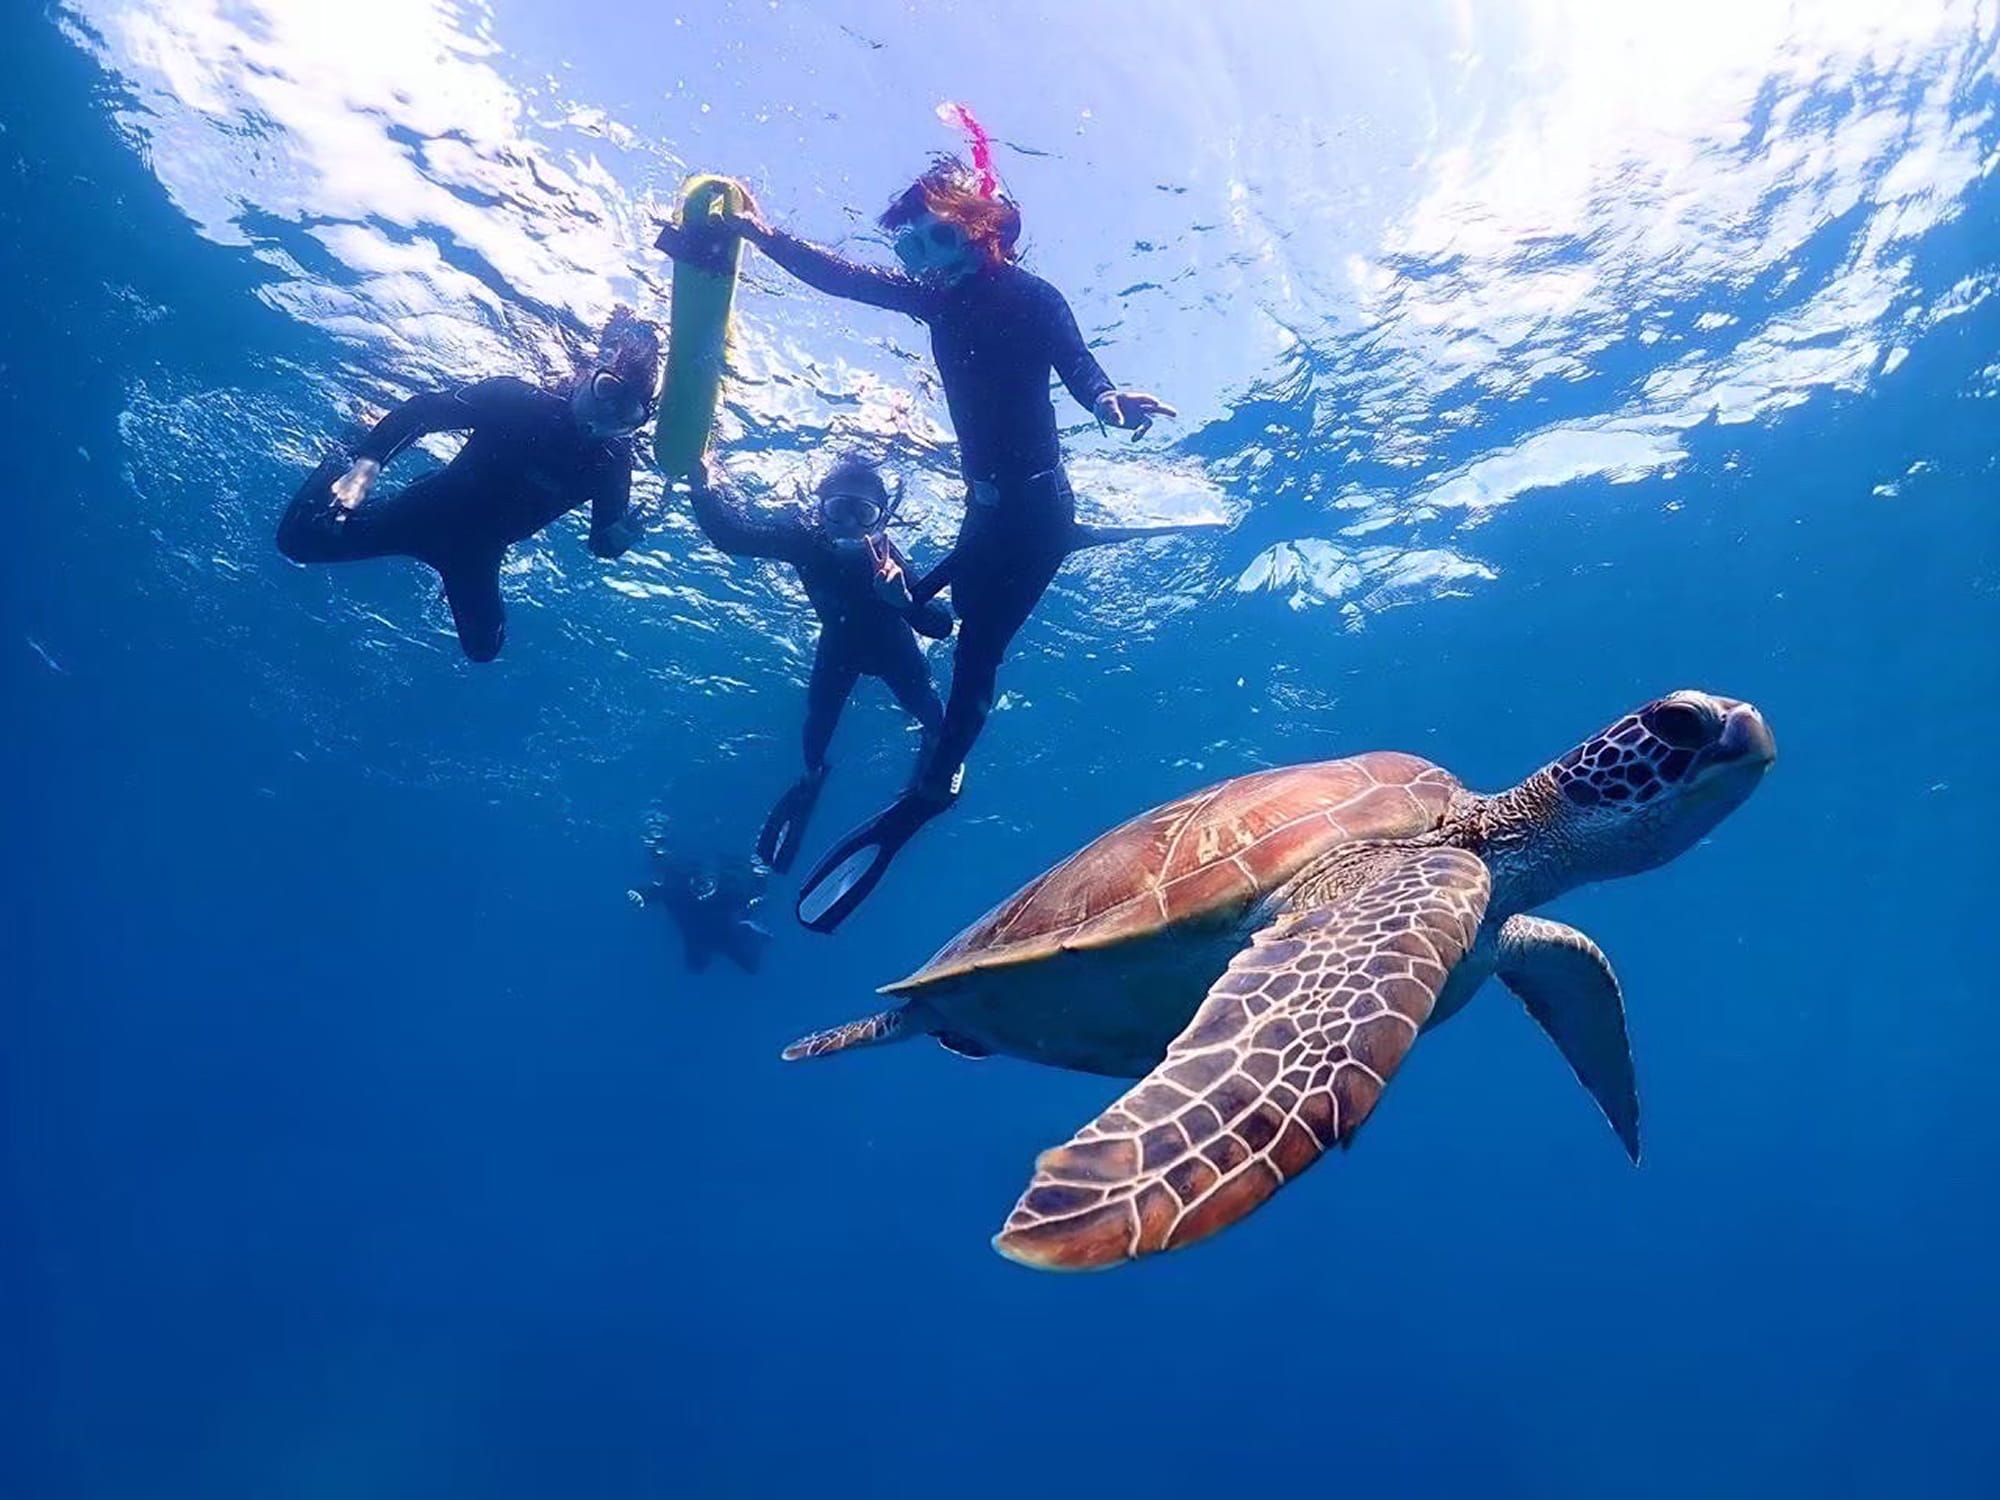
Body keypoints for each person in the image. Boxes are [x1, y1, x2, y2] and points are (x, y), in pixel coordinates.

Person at [659, 156, 1208, 931]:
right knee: (922, 612)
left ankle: (935, 786)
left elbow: (1080, 366)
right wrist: (760, 233)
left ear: (982, 229)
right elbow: (842, 278)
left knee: (977, 656)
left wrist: (1109, 403)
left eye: (938, 239)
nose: (926, 262)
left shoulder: (1032, 297)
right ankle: (929, 762)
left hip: (1039, 518)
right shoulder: (934, 302)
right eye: (911, 248)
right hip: (982, 517)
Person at [275, 310, 659, 661]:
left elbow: (600, 544)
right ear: (588, 374)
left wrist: (618, 538)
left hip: (476, 553)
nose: (608, 411)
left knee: (483, 650)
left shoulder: (612, 464)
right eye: (608, 389)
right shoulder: (517, 400)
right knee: (295, 541)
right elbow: (423, 412)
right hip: (424, 511)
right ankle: (349, 444)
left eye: (627, 410)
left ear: (635, 423)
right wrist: (365, 466)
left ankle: (363, 461)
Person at [686, 451, 951, 873]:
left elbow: (941, 624)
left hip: (893, 650)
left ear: (880, 520)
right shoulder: (803, 540)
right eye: (839, 508)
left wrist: (903, 601)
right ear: (820, 508)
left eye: (863, 513)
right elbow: (730, 536)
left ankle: (935, 745)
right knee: (817, 729)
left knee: (932, 716)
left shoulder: (887, 559)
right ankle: (812, 778)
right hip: (839, 649)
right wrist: (702, 485)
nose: (850, 523)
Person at [628, 846, 771, 976]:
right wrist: (643, 895)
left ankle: (749, 936)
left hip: (725, 936)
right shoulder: (680, 892)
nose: (702, 891)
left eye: (707, 885)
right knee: (696, 966)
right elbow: (662, 891)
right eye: (699, 884)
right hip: (699, 935)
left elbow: (750, 895)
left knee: (751, 966)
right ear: (691, 881)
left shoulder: (730, 892)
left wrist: (758, 886)